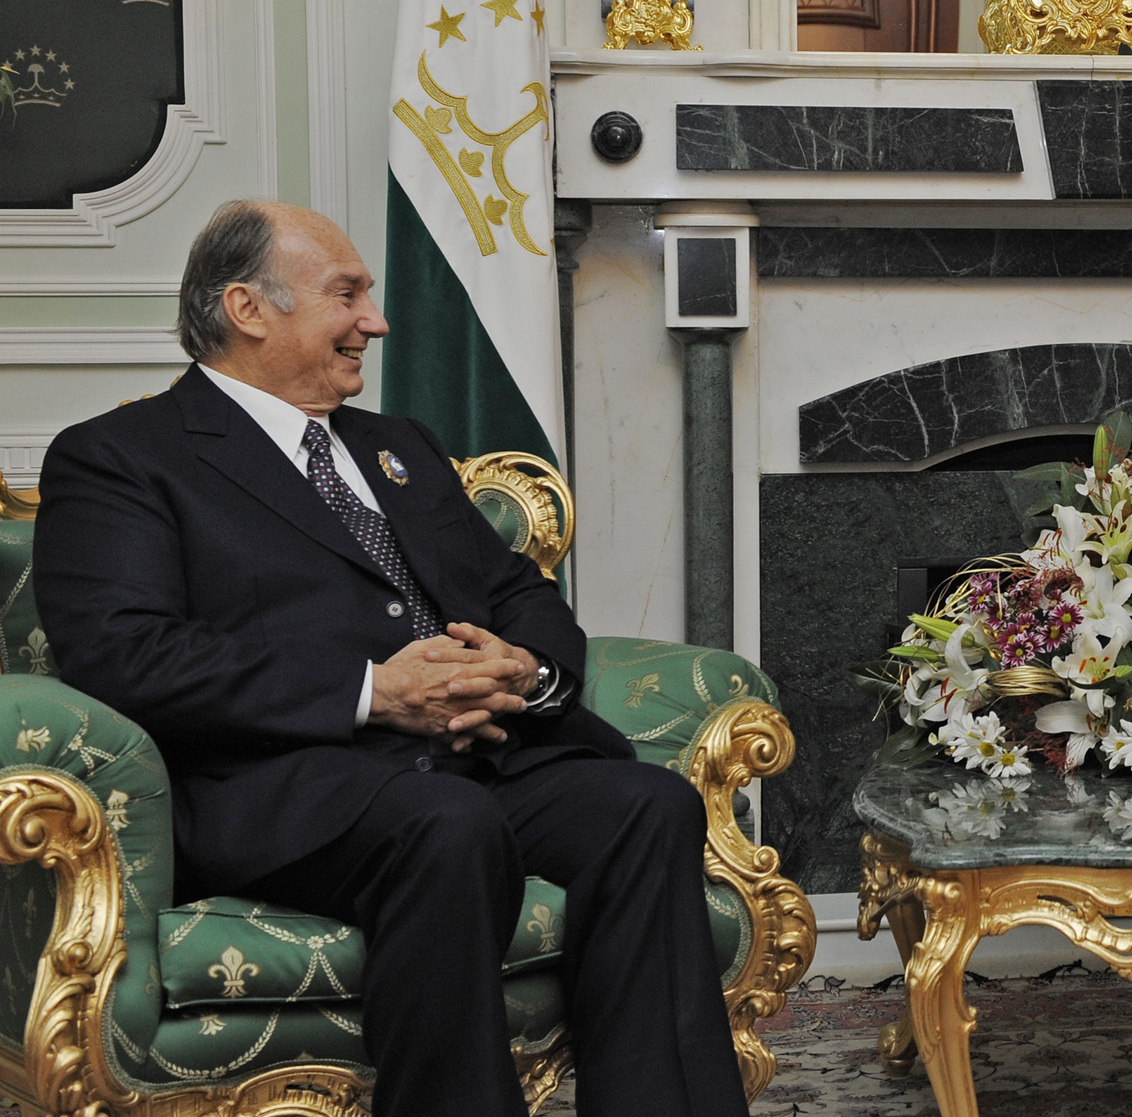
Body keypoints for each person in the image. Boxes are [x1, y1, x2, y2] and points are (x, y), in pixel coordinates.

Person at [33, 200, 750, 1117]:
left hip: (472, 759)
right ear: (249, 309)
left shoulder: (394, 444)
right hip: (292, 787)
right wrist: (374, 692)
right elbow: (124, 653)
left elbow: (517, 591)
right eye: (348, 295)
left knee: (645, 805)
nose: (374, 320)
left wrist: (522, 669)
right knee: (444, 824)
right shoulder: (123, 457)